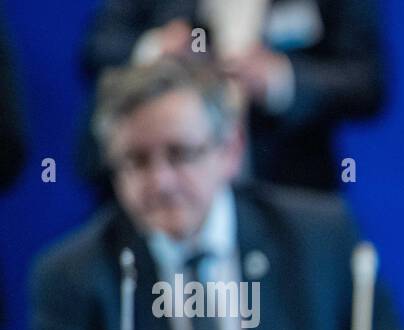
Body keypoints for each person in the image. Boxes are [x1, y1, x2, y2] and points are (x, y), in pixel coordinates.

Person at [28, 57, 404, 330]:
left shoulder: (319, 240)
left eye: (179, 154)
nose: (160, 182)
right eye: (137, 161)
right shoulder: (72, 274)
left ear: (230, 149)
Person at [81, 0, 385, 192]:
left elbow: (366, 82)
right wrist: (157, 51)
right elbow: (98, 49)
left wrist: (281, 79)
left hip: (286, 185)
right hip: (161, 198)